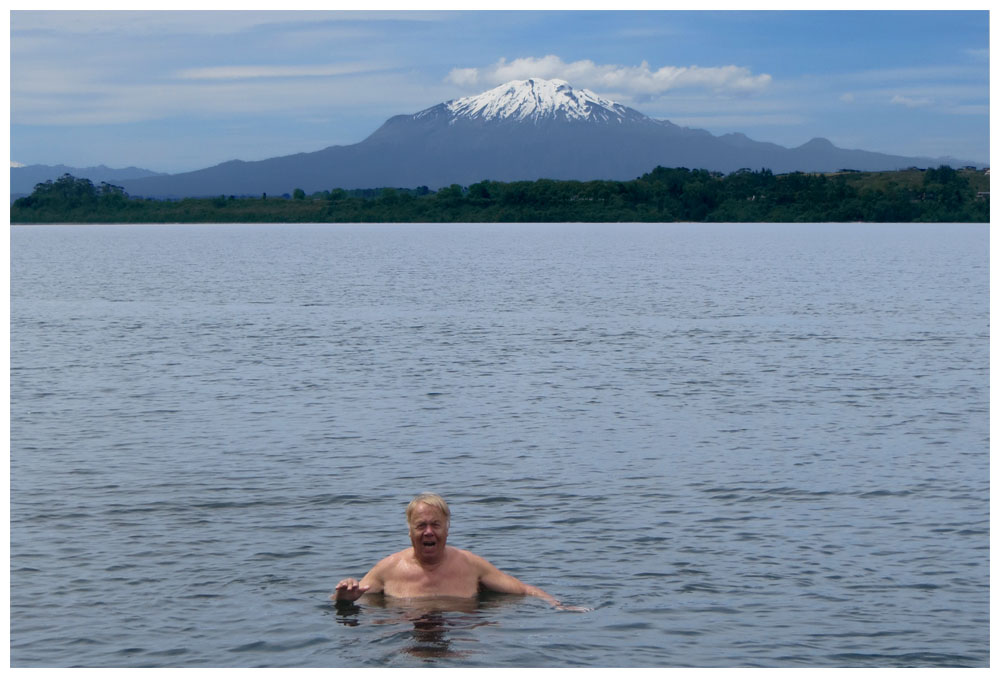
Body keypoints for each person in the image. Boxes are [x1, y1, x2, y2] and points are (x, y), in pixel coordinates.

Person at [333, 492, 586, 611]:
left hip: (459, 637)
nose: (429, 532)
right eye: (421, 526)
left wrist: (556, 604)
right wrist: (343, 599)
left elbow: (522, 589)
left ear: (447, 529)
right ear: (410, 532)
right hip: (404, 638)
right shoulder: (388, 569)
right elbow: (347, 599)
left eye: (436, 525)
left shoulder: (470, 565)